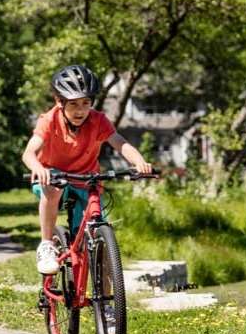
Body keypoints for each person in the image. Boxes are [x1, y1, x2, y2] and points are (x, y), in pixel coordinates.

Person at [21, 63, 152, 275]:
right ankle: (46, 244)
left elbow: (120, 143)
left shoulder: (98, 120)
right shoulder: (49, 120)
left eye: (86, 103)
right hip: (53, 176)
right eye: (73, 104)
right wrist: (38, 167)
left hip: (86, 179)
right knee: (54, 187)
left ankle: (108, 304)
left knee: (99, 235)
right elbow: (29, 152)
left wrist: (138, 161)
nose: (80, 110)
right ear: (59, 102)